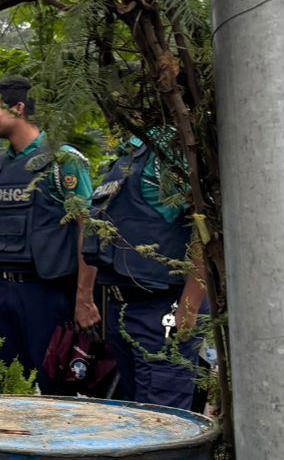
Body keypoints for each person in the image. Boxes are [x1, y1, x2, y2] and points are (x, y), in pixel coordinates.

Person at [0, 77, 95, 393]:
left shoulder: (64, 159)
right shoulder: (2, 165)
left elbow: (89, 228)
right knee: (5, 389)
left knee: (54, 390)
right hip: (3, 293)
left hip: (45, 294)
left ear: (18, 108)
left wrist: (84, 298)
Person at [82, 129, 206, 409]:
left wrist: (189, 306)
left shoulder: (169, 147)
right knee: (135, 412)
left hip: (162, 308)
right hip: (124, 308)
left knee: (161, 415)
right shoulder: (129, 152)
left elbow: (203, 227)